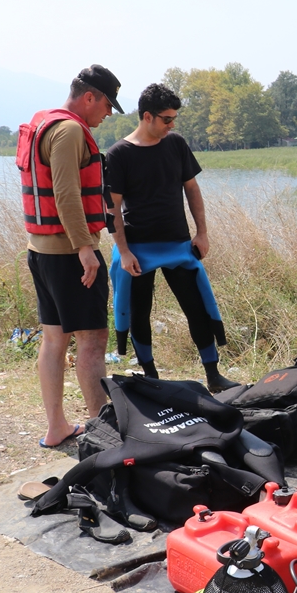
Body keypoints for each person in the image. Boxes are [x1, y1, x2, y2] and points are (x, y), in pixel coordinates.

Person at [104, 83, 239, 393]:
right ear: (147, 116)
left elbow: (192, 189)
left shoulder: (175, 143)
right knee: (140, 313)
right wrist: (123, 252)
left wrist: (201, 233)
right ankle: (151, 378)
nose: (172, 124)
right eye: (167, 119)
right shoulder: (119, 154)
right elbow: (111, 208)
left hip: (178, 245)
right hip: (138, 248)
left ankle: (214, 376)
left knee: (198, 307)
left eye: (174, 118)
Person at [20, 65, 123, 448]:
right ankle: (104, 431)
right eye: (107, 104)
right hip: (68, 253)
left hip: (42, 250)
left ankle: (57, 428)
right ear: (89, 97)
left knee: (54, 340)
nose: (108, 114)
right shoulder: (69, 130)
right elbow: (65, 193)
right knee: (93, 339)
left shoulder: (46, 123)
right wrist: (85, 247)